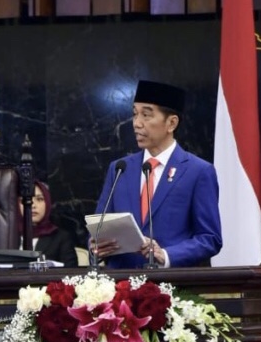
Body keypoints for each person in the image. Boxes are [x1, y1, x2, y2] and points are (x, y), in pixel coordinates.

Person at [93, 80, 222, 268]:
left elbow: (210, 238)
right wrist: (96, 244)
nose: (136, 124)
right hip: (120, 287)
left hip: (171, 288)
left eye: (146, 115)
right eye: (135, 114)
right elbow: (100, 227)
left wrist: (166, 255)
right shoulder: (120, 168)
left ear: (171, 123)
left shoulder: (198, 171)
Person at [19, 181, 78, 267]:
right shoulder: (6, 237)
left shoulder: (62, 238)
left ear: (47, 202)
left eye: (39, 199)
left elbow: (71, 275)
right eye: (25, 199)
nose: (32, 205)